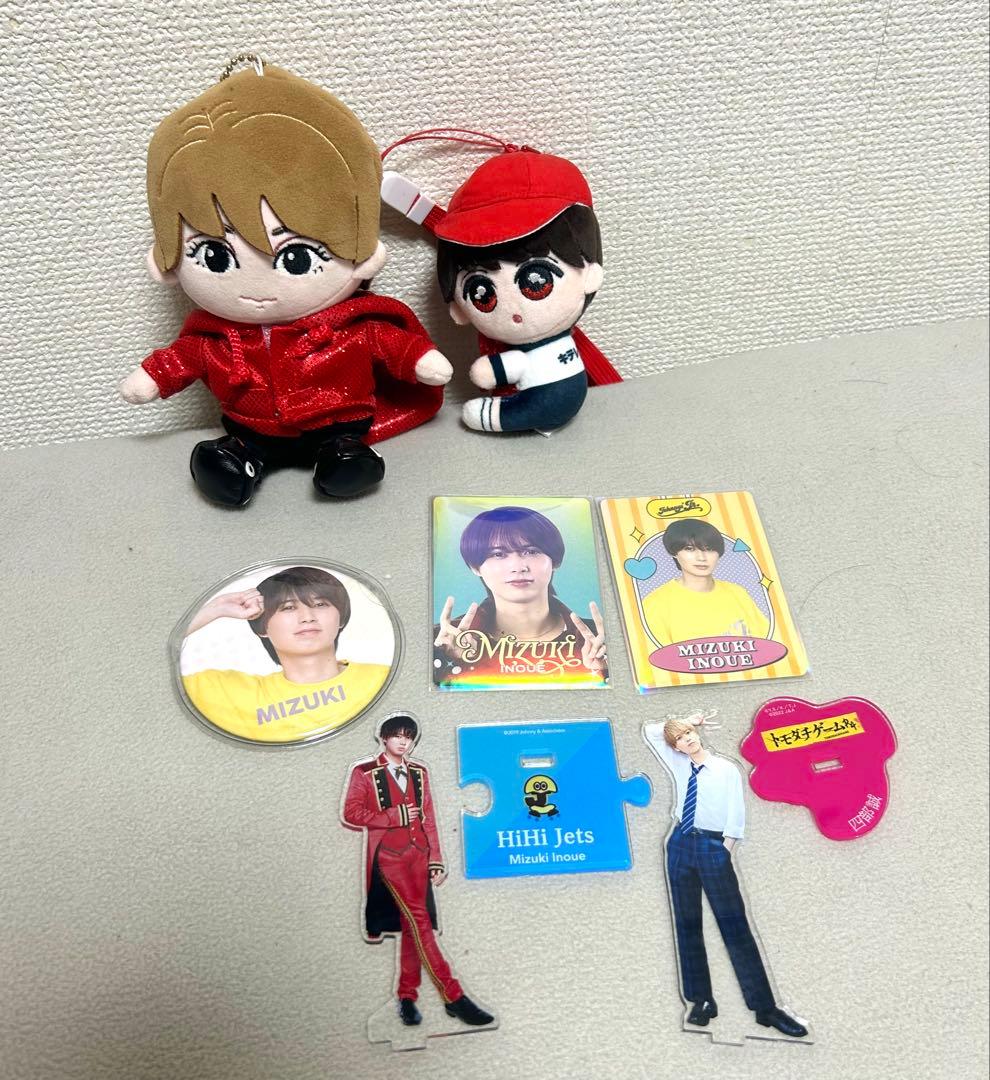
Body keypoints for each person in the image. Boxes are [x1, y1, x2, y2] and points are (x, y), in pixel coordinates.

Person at [119, 62, 452, 506]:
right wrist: (153, 377)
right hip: (252, 427)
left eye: (296, 257)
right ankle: (240, 461)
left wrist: (419, 358)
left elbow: (390, 344)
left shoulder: (353, 326)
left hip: (336, 420)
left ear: (363, 254)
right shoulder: (214, 339)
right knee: (241, 448)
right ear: (166, 261)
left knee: (340, 448)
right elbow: (182, 359)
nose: (256, 285)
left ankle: (342, 457)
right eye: (214, 255)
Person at [643, 713, 809, 1038]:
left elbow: (736, 811)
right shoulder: (679, 764)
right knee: (687, 923)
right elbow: (651, 731)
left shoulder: (725, 769)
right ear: (675, 747)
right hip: (680, 842)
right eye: (680, 738)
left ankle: (764, 1007)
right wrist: (683, 721)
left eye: (689, 733)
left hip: (713, 844)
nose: (688, 739)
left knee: (734, 924)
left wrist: (726, 848)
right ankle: (701, 1000)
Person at [342, 714, 494, 1028]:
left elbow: (429, 819)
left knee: (412, 928)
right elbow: (351, 812)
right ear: (383, 738)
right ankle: (453, 996)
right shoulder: (364, 772)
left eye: (408, 737)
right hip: (389, 858)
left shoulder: (419, 772)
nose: (403, 742)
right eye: (397, 736)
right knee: (420, 921)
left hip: (419, 857)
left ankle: (406, 996)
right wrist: (391, 816)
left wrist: (435, 858)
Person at [181, 566, 390, 742]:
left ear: (341, 618)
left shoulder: (380, 677)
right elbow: (158, 672)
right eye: (288, 607)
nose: (307, 617)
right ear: (262, 627)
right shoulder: (232, 693)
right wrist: (215, 608)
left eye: (320, 604)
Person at [433, 505, 607, 684]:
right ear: (475, 567)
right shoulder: (441, 641)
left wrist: (604, 670)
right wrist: (446, 661)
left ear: (555, 560)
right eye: (499, 554)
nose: (518, 567)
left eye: (531, 551)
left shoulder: (600, 639)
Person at [641, 520, 770, 644]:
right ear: (674, 553)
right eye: (690, 549)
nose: (701, 557)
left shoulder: (737, 592)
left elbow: (767, 641)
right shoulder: (655, 603)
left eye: (709, 549)